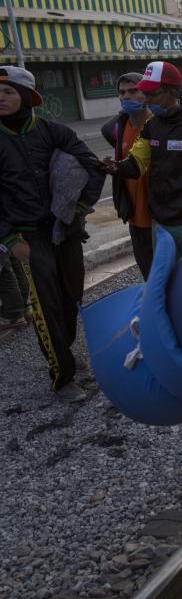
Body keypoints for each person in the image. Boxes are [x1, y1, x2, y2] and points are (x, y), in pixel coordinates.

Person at [0, 66, 105, 402]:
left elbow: (92, 165)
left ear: (28, 97)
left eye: (8, 92)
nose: (1, 99)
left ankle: (69, 352)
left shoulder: (54, 132)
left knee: (71, 298)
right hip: (29, 239)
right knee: (46, 309)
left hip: (66, 232)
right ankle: (62, 377)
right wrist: (9, 239)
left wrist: (78, 208)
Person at [99, 61, 182, 259]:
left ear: (172, 92)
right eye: (145, 94)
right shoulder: (151, 126)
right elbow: (137, 163)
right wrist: (115, 167)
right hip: (161, 225)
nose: (147, 99)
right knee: (166, 284)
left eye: (152, 94)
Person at [100, 72, 154, 279]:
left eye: (133, 91)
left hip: (161, 215)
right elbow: (107, 132)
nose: (126, 97)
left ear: (147, 93)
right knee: (147, 273)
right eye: (122, 93)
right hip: (134, 215)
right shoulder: (120, 127)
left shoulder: (157, 123)